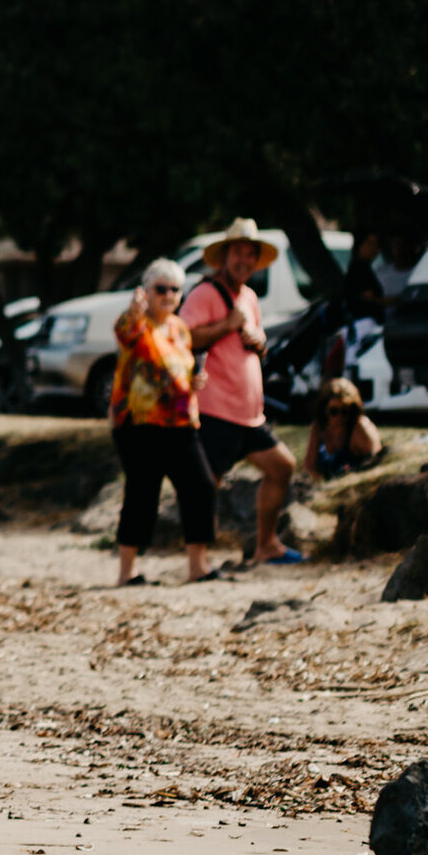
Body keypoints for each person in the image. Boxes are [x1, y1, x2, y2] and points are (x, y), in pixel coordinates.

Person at [182, 219, 300, 565]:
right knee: (207, 484)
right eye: (238, 253)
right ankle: (198, 561)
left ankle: (266, 545)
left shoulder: (249, 296)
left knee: (282, 467)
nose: (244, 260)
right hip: (216, 409)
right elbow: (183, 337)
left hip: (250, 413)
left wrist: (260, 342)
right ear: (224, 257)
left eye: (251, 254)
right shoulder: (204, 293)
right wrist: (226, 326)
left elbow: (253, 337)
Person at [109, 258, 216, 586]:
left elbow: (180, 368)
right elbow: (125, 333)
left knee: (200, 487)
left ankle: (198, 566)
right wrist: (135, 308)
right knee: (142, 492)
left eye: (175, 289)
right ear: (147, 291)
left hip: (181, 422)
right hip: (140, 422)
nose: (168, 295)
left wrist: (195, 381)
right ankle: (127, 571)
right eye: (161, 289)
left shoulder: (179, 328)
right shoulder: (137, 323)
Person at [304, 378, 383, 479]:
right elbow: (308, 468)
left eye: (345, 411)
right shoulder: (318, 428)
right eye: (334, 411)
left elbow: (376, 461)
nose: (340, 417)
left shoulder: (360, 427)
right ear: (324, 410)